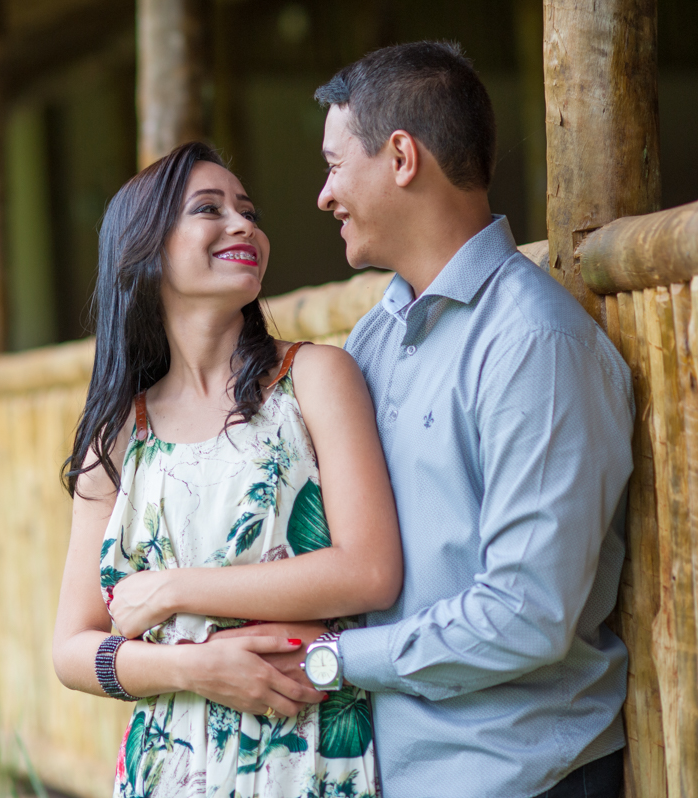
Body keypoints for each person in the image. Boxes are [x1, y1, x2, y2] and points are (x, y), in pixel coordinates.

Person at [235, 41, 630, 798]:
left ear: (402, 157)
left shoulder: (534, 344)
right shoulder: (375, 337)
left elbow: (525, 614)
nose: (323, 195)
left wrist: (335, 660)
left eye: (333, 164)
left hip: (521, 779)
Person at [52, 141, 402, 798]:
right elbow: (72, 649)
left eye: (248, 210)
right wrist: (196, 669)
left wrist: (176, 590)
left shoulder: (315, 380)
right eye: (208, 209)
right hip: (168, 771)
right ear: (146, 249)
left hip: (304, 758)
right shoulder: (122, 432)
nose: (244, 225)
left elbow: (371, 573)